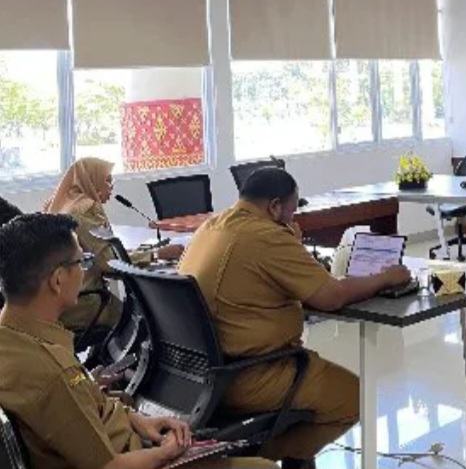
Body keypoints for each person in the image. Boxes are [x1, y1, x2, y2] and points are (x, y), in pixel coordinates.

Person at [0, 213, 277, 469]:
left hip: (129, 436)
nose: (84, 271)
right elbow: (110, 466)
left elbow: (78, 410)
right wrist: (166, 452)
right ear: (58, 280)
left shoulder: (16, 337)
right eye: (81, 263)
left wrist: (136, 419)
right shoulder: (52, 373)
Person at [178, 168, 411, 468]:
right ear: (274, 207)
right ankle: (250, 457)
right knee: (353, 397)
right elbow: (331, 296)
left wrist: (291, 242)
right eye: (291, 211)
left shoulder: (210, 226)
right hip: (252, 375)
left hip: (200, 375)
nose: (293, 218)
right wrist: (385, 277)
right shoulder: (266, 236)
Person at [43, 157, 182, 332]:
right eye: (107, 181)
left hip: (56, 300)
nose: (111, 187)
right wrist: (156, 255)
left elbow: (98, 251)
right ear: (91, 180)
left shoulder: (60, 203)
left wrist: (141, 251)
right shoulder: (86, 209)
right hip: (83, 303)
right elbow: (109, 262)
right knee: (144, 318)